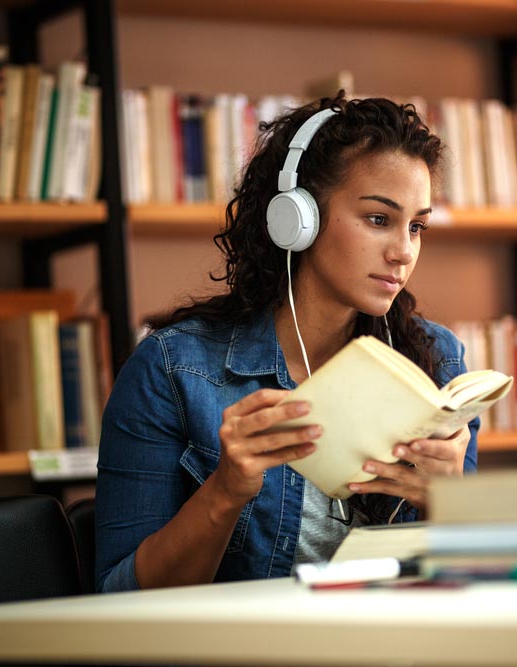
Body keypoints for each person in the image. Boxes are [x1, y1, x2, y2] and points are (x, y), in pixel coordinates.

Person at [95, 94, 479, 592]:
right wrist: (226, 491)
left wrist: (450, 503)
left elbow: (465, 584)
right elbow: (120, 595)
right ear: (299, 219)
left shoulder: (437, 361)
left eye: (417, 226)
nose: (403, 252)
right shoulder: (172, 370)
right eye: (379, 219)